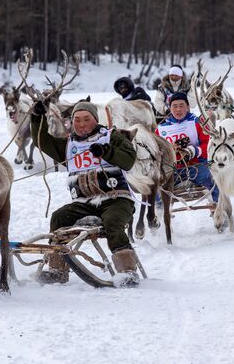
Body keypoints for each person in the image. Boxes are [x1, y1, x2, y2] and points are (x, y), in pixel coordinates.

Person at [30, 100, 140, 287]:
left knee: (113, 221)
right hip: (84, 203)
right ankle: (57, 270)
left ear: (95, 120)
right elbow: (43, 141)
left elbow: (128, 160)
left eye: (86, 119)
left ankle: (127, 271)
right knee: (59, 218)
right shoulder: (69, 145)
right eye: (77, 120)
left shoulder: (111, 136)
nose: (81, 124)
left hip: (116, 199)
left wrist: (106, 151)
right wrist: (37, 117)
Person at [156, 92, 219, 203]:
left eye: (181, 106)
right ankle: (159, 214)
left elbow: (209, 145)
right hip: (172, 170)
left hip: (197, 166)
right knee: (155, 187)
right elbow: (155, 151)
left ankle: (219, 209)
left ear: (188, 107)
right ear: (170, 108)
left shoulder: (198, 123)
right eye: (174, 106)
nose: (178, 110)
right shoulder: (161, 129)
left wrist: (194, 150)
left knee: (213, 180)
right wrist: (168, 151)